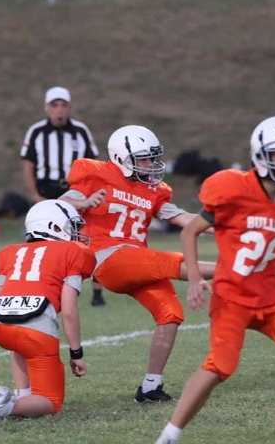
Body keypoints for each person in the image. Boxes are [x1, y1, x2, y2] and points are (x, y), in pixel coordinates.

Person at [156, 116, 275, 444]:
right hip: (231, 299)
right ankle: (169, 436)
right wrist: (194, 278)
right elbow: (190, 231)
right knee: (220, 365)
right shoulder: (231, 188)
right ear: (261, 156)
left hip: (272, 303)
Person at [59, 124, 216, 403]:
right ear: (121, 157)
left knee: (171, 314)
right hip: (107, 259)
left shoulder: (154, 190)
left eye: (151, 158)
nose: (150, 164)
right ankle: (230, 269)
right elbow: (60, 204)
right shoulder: (96, 174)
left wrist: (227, 227)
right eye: (143, 159)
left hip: (138, 262)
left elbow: (183, 217)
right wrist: (84, 202)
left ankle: (149, 388)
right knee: (163, 260)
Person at [0, 199, 96, 422]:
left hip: (1, 328)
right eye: (71, 227)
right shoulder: (72, 252)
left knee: (19, 339)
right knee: (51, 402)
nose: (77, 234)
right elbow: (69, 310)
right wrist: (76, 354)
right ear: (53, 227)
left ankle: (22, 396)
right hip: (36, 332)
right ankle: (3, 408)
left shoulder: (13, 253)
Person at [20, 85, 105, 307]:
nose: (59, 110)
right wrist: (34, 195)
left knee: (88, 236)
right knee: (43, 239)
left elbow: (94, 165)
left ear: (70, 107)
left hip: (76, 190)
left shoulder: (81, 131)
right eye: (55, 105)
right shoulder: (37, 132)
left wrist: (91, 193)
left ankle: (97, 291)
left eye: (63, 105)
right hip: (47, 191)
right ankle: (37, 283)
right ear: (47, 108)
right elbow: (28, 165)